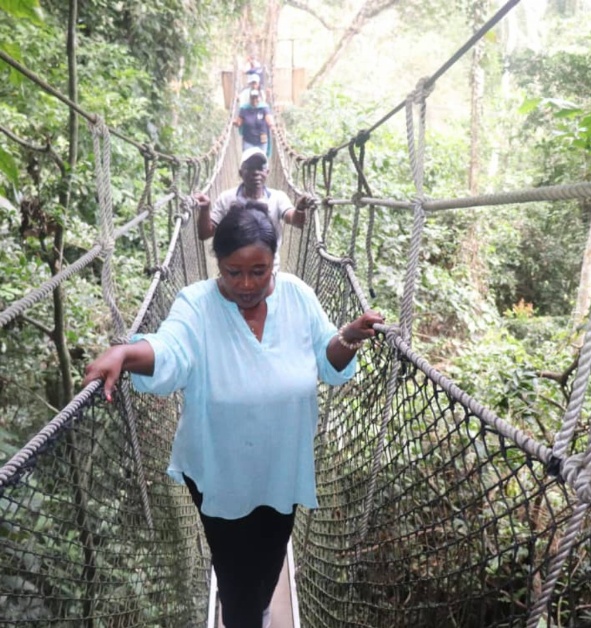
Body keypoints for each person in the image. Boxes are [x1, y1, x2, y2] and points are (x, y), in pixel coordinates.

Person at [81, 204, 385, 627]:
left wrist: (348, 338)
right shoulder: (197, 304)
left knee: (268, 564)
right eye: (232, 271)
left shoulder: (297, 294)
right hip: (219, 470)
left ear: (275, 261)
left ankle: (255, 606)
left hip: (282, 465)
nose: (246, 283)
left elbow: (327, 359)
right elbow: (171, 349)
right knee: (237, 578)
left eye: (258, 271)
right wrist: (125, 353)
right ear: (217, 265)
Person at [194, 147, 312, 272]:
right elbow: (205, 233)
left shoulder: (278, 197)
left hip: (267, 270)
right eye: (250, 168)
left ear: (267, 172)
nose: (256, 172)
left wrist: (299, 208)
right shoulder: (226, 198)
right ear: (240, 173)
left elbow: (296, 221)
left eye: (260, 168)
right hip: (234, 272)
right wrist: (205, 209)